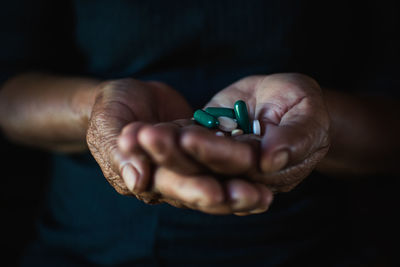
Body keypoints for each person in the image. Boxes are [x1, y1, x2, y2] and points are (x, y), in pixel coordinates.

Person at [0, 0, 399, 266]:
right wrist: (94, 108)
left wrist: (319, 119)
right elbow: (10, 95)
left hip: (303, 247)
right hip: (82, 246)